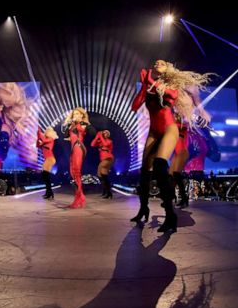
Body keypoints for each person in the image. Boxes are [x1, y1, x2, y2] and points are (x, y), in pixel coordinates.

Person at [131, 60, 214, 232]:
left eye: (162, 62)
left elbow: (172, 95)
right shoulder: (149, 86)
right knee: (144, 171)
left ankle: (170, 215)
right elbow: (135, 106)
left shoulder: (171, 84)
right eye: (156, 62)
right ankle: (143, 208)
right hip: (153, 131)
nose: (157, 63)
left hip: (169, 129)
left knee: (161, 165)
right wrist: (144, 86)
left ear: (168, 68)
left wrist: (150, 81)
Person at [62, 108, 94, 208]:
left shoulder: (84, 125)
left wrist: (86, 125)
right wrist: (69, 124)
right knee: (72, 172)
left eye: (77, 114)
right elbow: (66, 134)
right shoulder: (71, 125)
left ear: (81, 115)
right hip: (73, 149)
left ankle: (78, 199)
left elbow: (93, 133)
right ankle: (81, 196)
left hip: (79, 146)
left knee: (76, 171)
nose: (75, 115)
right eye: (74, 114)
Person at [170, 114, 190, 207]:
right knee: (171, 176)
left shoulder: (182, 125)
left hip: (182, 151)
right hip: (177, 152)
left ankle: (183, 198)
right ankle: (172, 197)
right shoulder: (174, 125)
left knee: (176, 175)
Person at [91, 129, 115, 198]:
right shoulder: (100, 141)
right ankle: (106, 192)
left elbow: (105, 144)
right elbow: (92, 144)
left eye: (107, 133)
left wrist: (100, 136)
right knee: (100, 175)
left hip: (108, 158)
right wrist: (97, 137)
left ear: (108, 135)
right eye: (104, 132)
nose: (105, 133)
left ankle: (108, 193)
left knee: (103, 175)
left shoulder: (109, 141)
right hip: (103, 159)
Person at [36, 126, 58, 199]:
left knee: (45, 175)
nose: (47, 132)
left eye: (49, 131)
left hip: (50, 158)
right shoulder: (44, 140)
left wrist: (39, 132)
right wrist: (38, 136)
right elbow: (38, 145)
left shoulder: (51, 139)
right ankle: (49, 192)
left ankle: (49, 192)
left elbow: (44, 141)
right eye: (47, 131)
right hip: (48, 159)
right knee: (45, 176)